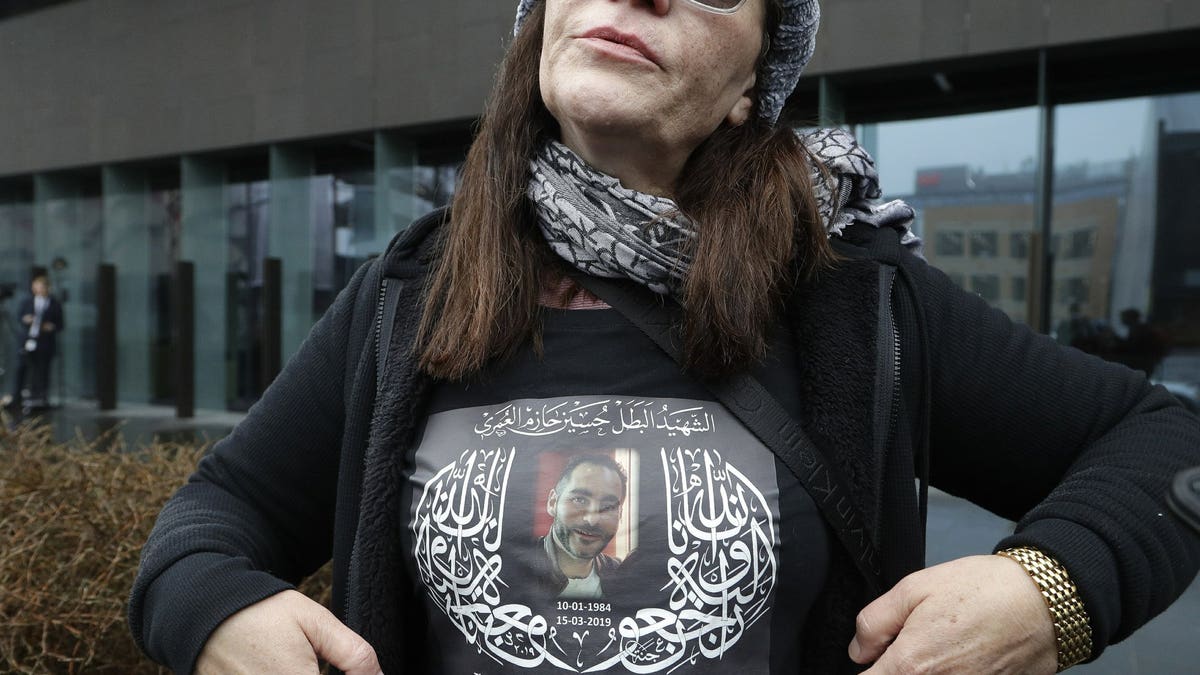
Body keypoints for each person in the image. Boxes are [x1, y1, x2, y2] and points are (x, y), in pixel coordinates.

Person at [129, 1, 1200, 673]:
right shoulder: (407, 294)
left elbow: (1168, 446)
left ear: (750, 88)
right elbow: (217, 514)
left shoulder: (850, 297)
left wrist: (1053, 587)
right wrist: (214, 611)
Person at [534, 453, 627, 599]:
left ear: (620, 515)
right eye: (579, 500)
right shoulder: (514, 568)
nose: (592, 520)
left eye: (608, 507)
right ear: (553, 503)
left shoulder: (623, 577)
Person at [3, 275, 63, 412]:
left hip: (45, 343)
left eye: (42, 286)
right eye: (37, 286)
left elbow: (60, 324)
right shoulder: (27, 302)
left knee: (42, 371)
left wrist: (51, 327)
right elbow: (19, 317)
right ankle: (17, 398)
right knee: (21, 368)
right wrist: (26, 320)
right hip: (27, 340)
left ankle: (40, 400)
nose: (40, 289)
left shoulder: (54, 304)